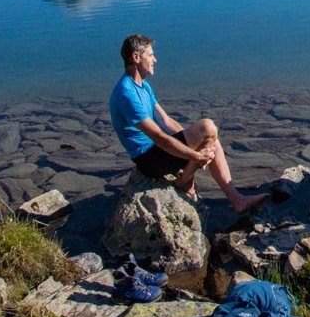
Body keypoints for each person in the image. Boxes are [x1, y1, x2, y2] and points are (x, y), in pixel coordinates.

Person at [109, 34, 267, 212]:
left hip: (156, 152)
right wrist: (195, 156)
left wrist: (197, 140)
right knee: (207, 127)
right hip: (148, 160)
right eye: (150, 55)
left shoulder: (143, 86)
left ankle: (237, 200)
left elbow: (166, 121)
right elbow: (159, 137)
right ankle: (185, 182)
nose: (155, 59)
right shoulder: (126, 93)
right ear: (136, 58)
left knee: (211, 137)